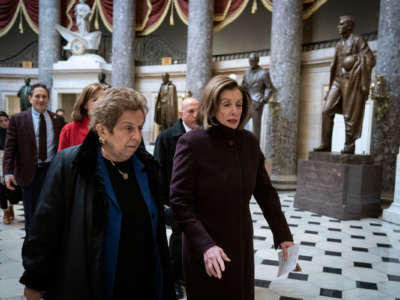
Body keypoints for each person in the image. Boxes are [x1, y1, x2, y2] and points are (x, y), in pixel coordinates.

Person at [20, 88, 175, 300]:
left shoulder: (146, 167)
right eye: (127, 128)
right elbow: (45, 225)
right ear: (102, 131)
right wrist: (35, 278)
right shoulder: (72, 164)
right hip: (93, 283)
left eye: (139, 127)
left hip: (143, 283)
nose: (137, 136)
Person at [170, 75, 294, 300]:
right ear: (212, 106)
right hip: (205, 245)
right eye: (226, 104)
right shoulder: (192, 143)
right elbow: (179, 202)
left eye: (238, 104)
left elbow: (265, 192)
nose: (234, 111)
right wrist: (206, 246)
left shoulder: (249, 142)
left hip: (240, 241)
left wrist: (283, 234)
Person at [154, 97, 200, 299]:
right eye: (191, 111)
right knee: (178, 241)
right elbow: (158, 171)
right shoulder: (166, 137)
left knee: (197, 239)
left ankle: (193, 276)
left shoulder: (205, 135)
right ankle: (174, 280)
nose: (196, 115)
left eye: (198, 110)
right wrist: (165, 203)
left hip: (200, 200)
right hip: (176, 201)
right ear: (181, 114)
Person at [3, 84, 65, 235]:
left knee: (51, 212)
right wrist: (7, 173)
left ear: (48, 99)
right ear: (30, 98)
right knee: (31, 216)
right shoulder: (18, 119)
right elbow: (10, 149)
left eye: (44, 96)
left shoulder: (58, 120)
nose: (41, 99)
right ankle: (31, 251)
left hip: (51, 172)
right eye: (37, 96)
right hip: (28, 174)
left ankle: (48, 248)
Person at [314, 15, 375, 154]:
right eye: (339, 24)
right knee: (326, 110)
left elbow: (370, 59)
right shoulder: (339, 44)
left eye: (341, 24)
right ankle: (325, 143)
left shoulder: (358, 40)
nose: (338, 26)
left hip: (350, 80)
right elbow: (335, 64)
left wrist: (355, 59)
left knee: (350, 113)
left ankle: (349, 144)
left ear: (349, 26)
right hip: (337, 80)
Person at [58, 82, 104, 151]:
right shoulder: (68, 130)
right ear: (85, 105)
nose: (100, 104)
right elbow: (62, 159)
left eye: (102, 100)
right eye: (95, 100)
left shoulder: (112, 128)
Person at [241, 53, 274, 140]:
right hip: (247, 102)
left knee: (256, 128)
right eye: (250, 61)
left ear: (257, 61)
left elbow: (270, 88)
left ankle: (255, 150)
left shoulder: (263, 73)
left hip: (257, 102)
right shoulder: (246, 73)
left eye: (253, 61)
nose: (251, 62)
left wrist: (264, 99)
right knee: (240, 124)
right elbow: (243, 86)